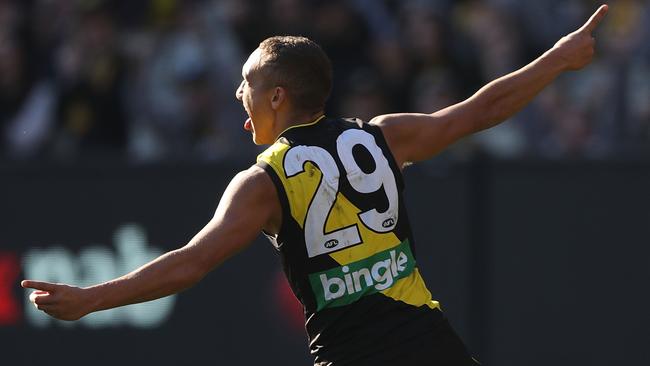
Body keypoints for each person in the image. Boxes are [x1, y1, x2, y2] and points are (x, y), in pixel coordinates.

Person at [22, 5, 609, 365]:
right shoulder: (382, 136)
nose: (238, 96)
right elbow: (477, 112)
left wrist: (92, 298)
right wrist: (557, 58)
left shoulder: (264, 181)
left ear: (278, 96)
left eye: (246, 84)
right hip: (433, 348)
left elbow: (188, 265)